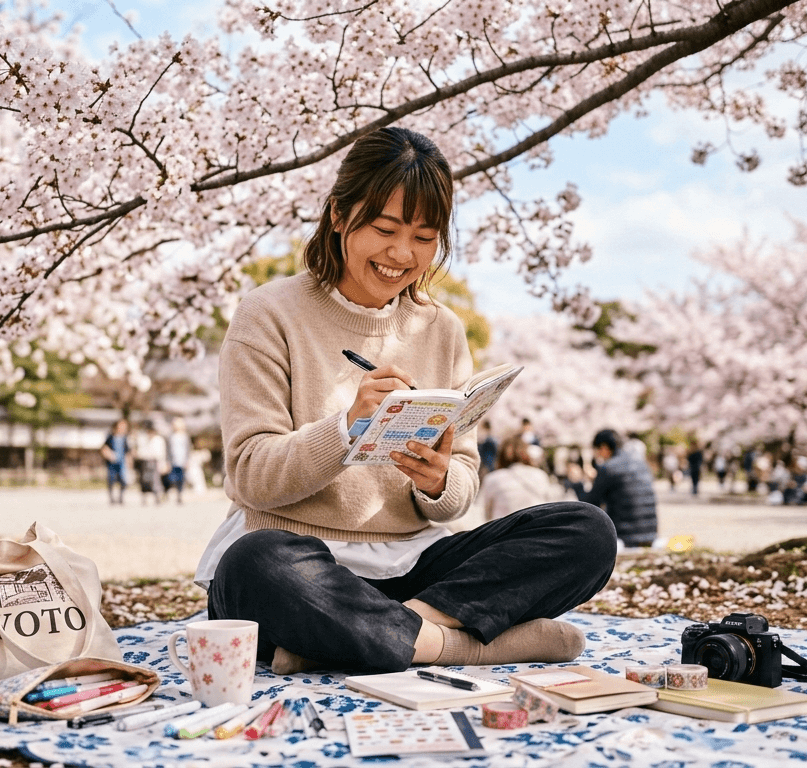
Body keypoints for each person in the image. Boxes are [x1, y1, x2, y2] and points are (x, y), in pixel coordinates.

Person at [197, 127, 616, 675]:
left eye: (424, 236)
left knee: (587, 532)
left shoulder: (442, 329)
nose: (402, 254)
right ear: (339, 215)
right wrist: (346, 429)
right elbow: (251, 474)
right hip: (301, 562)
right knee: (252, 566)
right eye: (385, 228)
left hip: (416, 565)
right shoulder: (268, 313)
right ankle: (459, 645)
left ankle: (371, 635)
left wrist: (438, 480)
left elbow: (462, 482)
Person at [580, 429, 658, 548]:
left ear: (604, 447)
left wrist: (577, 484)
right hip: (651, 533)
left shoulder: (608, 468)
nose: (596, 455)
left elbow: (590, 504)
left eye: (596, 451)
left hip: (624, 536)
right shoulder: (641, 463)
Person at [475, 436, 567, 523]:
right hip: (536, 529)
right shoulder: (539, 475)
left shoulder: (493, 478)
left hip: (505, 532)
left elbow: (484, 512)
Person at [136, 421, 166, 505]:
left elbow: (162, 453)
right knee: (144, 480)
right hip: (144, 461)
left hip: (155, 461)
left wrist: (163, 464)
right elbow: (140, 451)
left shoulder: (158, 440)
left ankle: (157, 497)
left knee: (156, 480)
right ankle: (144, 498)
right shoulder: (142, 438)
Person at [101, 419, 131, 504]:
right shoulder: (110, 436)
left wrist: (129, 462)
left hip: (122, 462)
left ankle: (121, 497)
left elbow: (127, 451)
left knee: (123, 480)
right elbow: (104, 448)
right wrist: (108, 454)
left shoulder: (125, 438)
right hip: (111, 462)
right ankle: (111, 498)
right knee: (111, 480)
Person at [165, 418, 191, 504]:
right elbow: (168, 450)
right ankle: (170, 492)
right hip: (173, 461)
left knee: (181, 479)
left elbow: (188, 450)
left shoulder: (185, 437)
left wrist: (187, 460)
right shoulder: (171, 437)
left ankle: (179, 494)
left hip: (182, 461)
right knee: (172, 478)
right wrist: (167, 461)